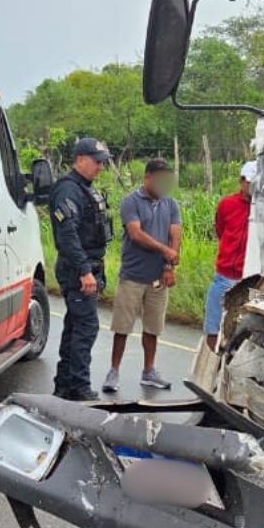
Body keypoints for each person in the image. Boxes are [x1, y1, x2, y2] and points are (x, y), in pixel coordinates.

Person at [105, 158, 181, 394]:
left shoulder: (171, 203)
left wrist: (170, 265)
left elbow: (175, 234)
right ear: (147, 178)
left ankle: (149, 371)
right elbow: (135, 234)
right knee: (122, 327)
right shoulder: (131, 201)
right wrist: (164, 250)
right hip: (133, 275)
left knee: (153, 327)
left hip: (158, 277)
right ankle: (113, 371)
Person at [49, 136, 114, 402]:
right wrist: (85, 271)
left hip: (89, 267)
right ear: (80, 160)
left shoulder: (85, 188)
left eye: (103, 162)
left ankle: (64, 385)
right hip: (78, 270)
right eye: (97, 162)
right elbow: (67, 237)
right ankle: (78, 387)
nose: (101, 167)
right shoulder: (68, 190)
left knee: (75, 327)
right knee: (86, 328)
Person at [205, 160, 258, 350]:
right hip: (225, 276)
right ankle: (213, 366)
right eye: (249, 182)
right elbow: (220, 231)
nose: (252, 187)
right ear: (241, 181)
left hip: (250, 280)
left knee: (244, 332)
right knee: (213, 327)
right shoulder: (227, 204)